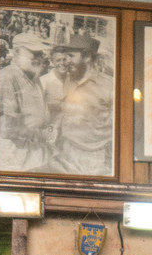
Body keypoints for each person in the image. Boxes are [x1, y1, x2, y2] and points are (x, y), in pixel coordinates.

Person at [40, 33, 114, 176]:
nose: (66, 61)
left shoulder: (109, 86)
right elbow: (64, 113)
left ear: (86, 57)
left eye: (71, 56)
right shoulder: (69, 80)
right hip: (65, 152)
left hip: (92, 159)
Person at [0, 31, 57, 172]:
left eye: (40, 54)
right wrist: (45, 135)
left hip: (37, 158)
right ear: (17, 52)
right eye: (34, 54)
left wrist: (51, 134)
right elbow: (8, 128)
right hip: (17, 161)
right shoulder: (7, 77)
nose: (39, 58)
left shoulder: (34, 77)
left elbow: (44, 117)